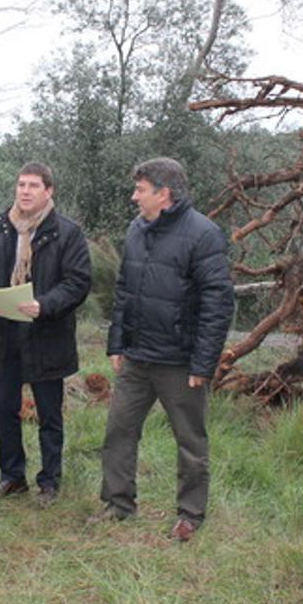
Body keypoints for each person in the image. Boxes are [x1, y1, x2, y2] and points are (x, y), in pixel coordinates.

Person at [94, 157, 235, 542]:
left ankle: (190, 515)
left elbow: (217, 304)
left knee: (190, 441)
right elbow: (124, 291)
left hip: (180, 361)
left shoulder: (204, 234)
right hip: (137, 357)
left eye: (140, 190)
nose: (134, 196)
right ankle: (118, 504)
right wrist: (117, 342)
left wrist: (203, 363)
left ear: (164, 193)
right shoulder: (136, 230)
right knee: (119, 432)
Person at [0, 162, 92, 505]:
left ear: (48, 191)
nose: (24, 191)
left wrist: (45, 304)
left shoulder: (67, 232)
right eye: (21, 184)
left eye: (33, 185)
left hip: (47, 336)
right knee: (3, 409)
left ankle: (49, 482)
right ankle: (12, 477)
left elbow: (78, 282)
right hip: (4, 334)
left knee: (49, 415)